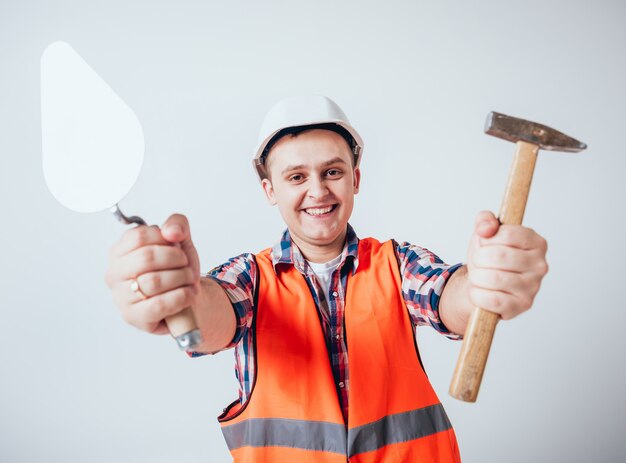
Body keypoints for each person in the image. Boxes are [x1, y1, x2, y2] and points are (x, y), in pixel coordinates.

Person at [104, 95, 548, 462]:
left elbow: (450, 297)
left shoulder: (397, 264)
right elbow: (210, 315)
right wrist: (180, 292)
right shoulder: (248, 279)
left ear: (355, 179)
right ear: (270, 190)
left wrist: (485, 282)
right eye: (297, 176)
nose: (317, 190)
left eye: (332, 172)